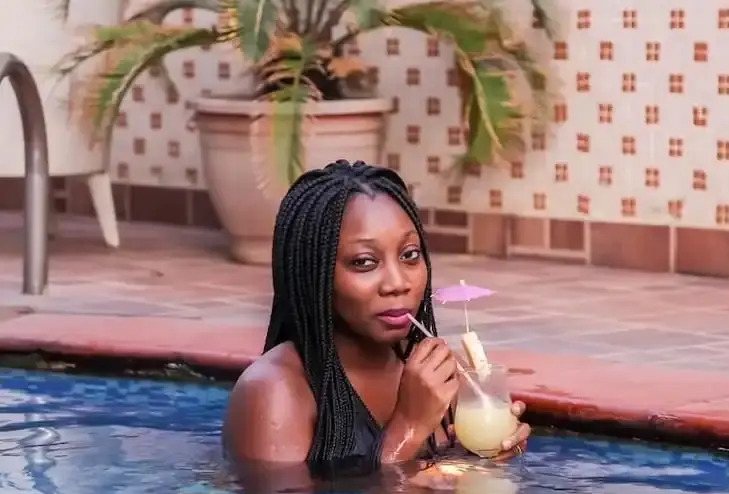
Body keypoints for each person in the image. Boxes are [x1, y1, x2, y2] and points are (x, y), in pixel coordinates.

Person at [222, 159, 531, 474]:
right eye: (364, 262)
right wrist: (409, 425)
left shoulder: (439, 375)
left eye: (409, 255)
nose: (398, 283)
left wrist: (484, 456)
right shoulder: (272, 392)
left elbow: (456, 489)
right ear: (314, 275)